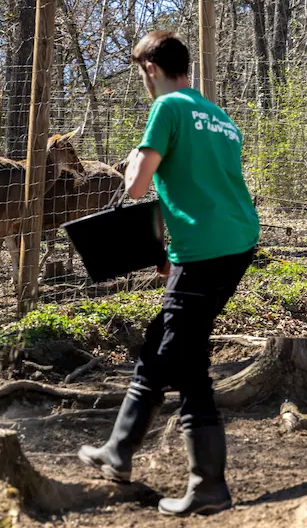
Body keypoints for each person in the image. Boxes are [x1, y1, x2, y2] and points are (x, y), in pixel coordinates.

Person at [76, 30, 261, 516]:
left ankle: (209, 486)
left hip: (205, 249)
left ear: (151, 69)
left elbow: (136, 187)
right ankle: (118, 452)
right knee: (167, 341)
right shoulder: (219, 117)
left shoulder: (168, 107)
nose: (144, 81)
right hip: (234, 242)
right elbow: (204, 189)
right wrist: (171, 251)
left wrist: (133, 162)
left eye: (142, 72)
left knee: (187, 359)